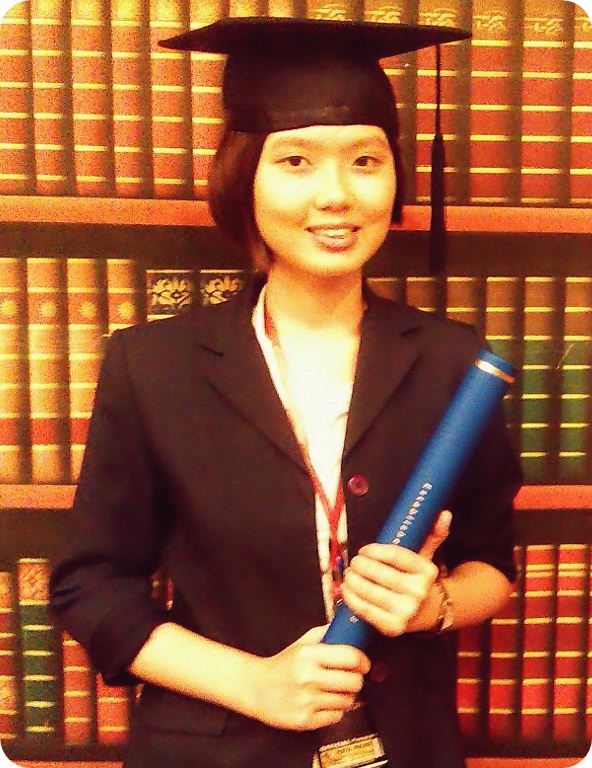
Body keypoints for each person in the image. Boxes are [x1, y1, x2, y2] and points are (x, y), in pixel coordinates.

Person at [49, 16, 522, 768]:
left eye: (365, 161)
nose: (336, 195)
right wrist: (255, 683)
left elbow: (490, 566)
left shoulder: (454, 363)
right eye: (296, 161)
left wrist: (434, 604)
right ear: (243, 177)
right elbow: (91, 586)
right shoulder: (154, 365)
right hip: (216, 749)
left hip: (408, 745)